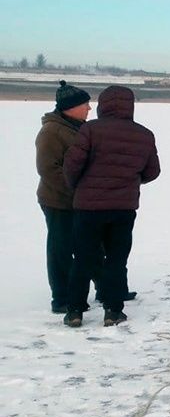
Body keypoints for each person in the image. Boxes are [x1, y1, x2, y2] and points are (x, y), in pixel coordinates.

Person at [61, 85, 160, 327]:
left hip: (88, 207)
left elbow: (72, 166)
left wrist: (79, 186)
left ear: (103, 105)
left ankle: (74, 311)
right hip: (123, 208)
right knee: (116, 259)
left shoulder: (89, 130)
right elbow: (152, 171)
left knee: (83, 258)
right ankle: (113, 311)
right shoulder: (144, 135)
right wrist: (130, 180)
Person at [36, 81, 91, 314]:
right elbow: (48, 169)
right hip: (58, 201)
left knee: (85, 247)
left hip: (78, 201)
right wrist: (76, 191)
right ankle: (61, 298)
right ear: (71, 107)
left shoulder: (77, 127)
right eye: (86, 104)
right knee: (60, 249)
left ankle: (79, 293)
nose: (89, 109)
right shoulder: (51, 131)